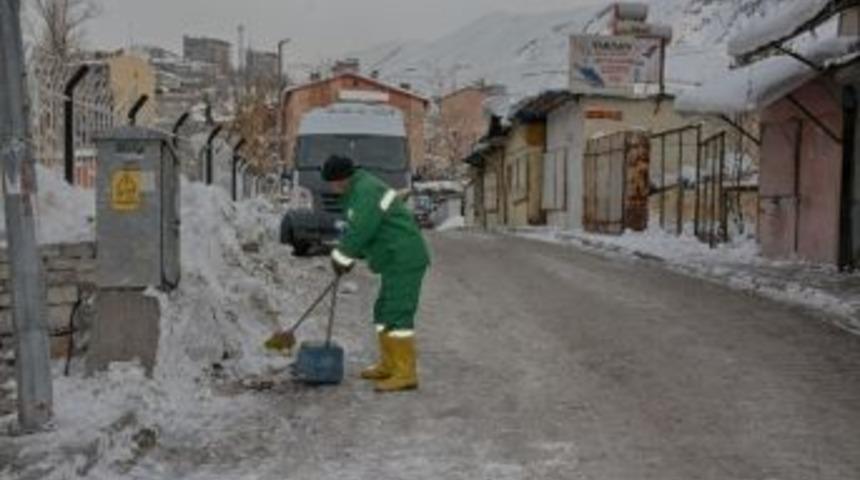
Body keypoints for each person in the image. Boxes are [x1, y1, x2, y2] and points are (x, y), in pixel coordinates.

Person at [322, 155, 430, 393]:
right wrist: (350, 253)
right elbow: (364, 230)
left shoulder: (365, 190)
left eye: (332, 182)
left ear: (342, 179)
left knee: (397, 312)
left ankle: (405, 373)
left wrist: (342, 257)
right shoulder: (359, 190)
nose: (332, 188)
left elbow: (362, 229)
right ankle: (389, 364)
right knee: (382, 310)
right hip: (393, 257)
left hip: (404, 256)